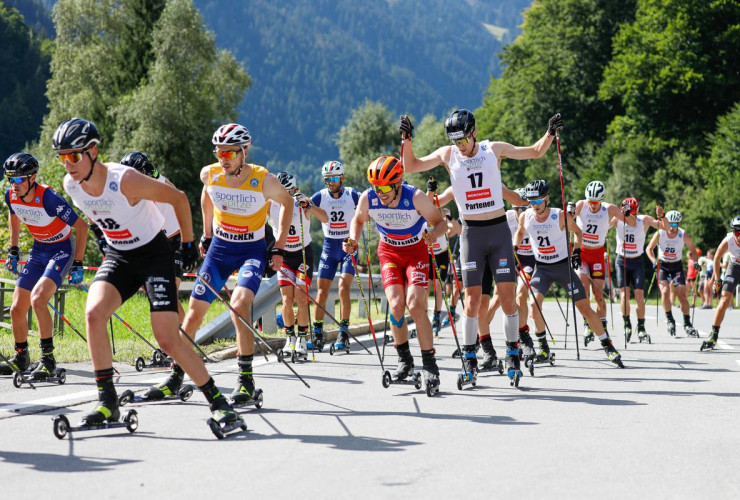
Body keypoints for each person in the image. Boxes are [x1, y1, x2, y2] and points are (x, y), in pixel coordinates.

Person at [55, 117, 238, 427]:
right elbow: (98, 215)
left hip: (154, 255)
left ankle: (218, 401)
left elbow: (178, 197)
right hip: (120, 256)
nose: (68, 164)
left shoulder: (124, 179)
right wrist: (102, 238)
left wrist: (189, 245)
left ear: (93, 151)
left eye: (73, 156)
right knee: (94, 314)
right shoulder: (71, 184)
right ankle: (107, 402)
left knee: (167, 339)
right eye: (62, 158)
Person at [400, 109, 563, 382]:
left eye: (464, 140)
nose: (460, 146)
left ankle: (512, 354)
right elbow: (411, 165)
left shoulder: (492, 149)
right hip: (471, 234)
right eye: (456, 141)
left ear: (473, 132)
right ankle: (470, 356)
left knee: (508, 298)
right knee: (472, 302)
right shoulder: (447, 154)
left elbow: (534, 152)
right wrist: (406, 139)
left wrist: (549, 133)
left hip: (498, 231)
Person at [150, 123, 293, 407]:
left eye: (229, 153)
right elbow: (206, 195)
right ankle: (176, 376)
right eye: (219, 152)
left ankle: (246, 381)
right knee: (193, 315)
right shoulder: (211, 173)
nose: (223, 159)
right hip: (219, 250)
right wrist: (206, 233)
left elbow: (287, 203)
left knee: (239, 307)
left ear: (244, 152)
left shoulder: (263, 180)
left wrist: (279, 246)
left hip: (251, 251)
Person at [344, 156, 446, 391]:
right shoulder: (368, 198)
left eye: (386, 188)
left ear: (398, 183)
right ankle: (405, 361)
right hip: (389, 253)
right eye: (376, 188)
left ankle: (429, 363)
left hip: (416, 253)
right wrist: (352, 240)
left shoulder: (415, 197)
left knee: (416, 305)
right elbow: (358, 221)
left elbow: (441, 223)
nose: (381, 193)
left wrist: (434, 235)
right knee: (397, 305)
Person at [514, 179, 624, 368]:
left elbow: (578, 233)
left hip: (563, 267)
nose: (535, 206)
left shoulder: (560, 216)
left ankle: (607, 345)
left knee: (584, 307)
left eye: (539, 201)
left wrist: (577, 252)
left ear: (547, 199)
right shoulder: (526, 216)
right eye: (531, 202)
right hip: (542, 268)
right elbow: (520, 231)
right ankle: (543, 346)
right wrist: (514, 248)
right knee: (534, 304)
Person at [0, 153, 88, 378]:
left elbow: (82, 226)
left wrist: (77, 263)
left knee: (38, 299)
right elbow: (14, 216)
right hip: (39, 249)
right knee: (17, 308)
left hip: (61, 249)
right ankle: (21, 358)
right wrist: (13, 249)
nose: (14, 184)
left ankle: (48, 360)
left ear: (33, 177)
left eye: (19, 180)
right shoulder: (11, 195)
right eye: (11, 179)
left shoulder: (49, 198)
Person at [119, 151, 185, 321]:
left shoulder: (157, 182)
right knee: (157, 296)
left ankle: (186, 337)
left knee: (169, 293)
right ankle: (174, 339)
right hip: (153, 245)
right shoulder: (127, 192)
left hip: (175, 242)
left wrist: (156, 174)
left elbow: (175, 191)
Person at [570, 181, 635, 344]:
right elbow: (566, 222)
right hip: (582, 253)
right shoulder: (581, 205)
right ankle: (587, 324)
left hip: (598, 254)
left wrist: (627, 214)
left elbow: (632, 224)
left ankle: (603, 327)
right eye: (590, 201)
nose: (592, 205)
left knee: (599, 295)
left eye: (596, 202)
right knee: (583, 290)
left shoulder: (610, 209)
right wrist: (569, 211)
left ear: (602, 200)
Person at [308, 161, 360, 351]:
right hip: (329, 246)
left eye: (335, 178)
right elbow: (305, 207)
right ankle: (318, 333)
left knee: (343, 288)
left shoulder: (352, 194)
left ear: (342, 178)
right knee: (321, 291)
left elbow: (367, 208)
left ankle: (343, 332)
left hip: (349, 246)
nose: (331, 182)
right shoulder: (320, 196)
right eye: (327, 179)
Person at [271, 172, 316, 359]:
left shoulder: (301, 202)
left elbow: (325, 218)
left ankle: (303, 340)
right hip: (284, 257)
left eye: (287, 190)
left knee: (300, 296)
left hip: (303, 255)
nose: (283, 193)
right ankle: (290, 338)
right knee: (286, 298)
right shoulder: (270, 204)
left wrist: (309, 206)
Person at [612, 197, 664, 342]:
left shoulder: (644, 220)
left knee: (639, 297)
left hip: (636, 262)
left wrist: (662, 216)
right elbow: (605, 226)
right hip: (621, 260)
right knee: (624, 295)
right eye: (629, 213)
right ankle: (627, 324)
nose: (631, 217)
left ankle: (641, 328)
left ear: (638, 210)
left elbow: (663, 227)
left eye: (634, 213)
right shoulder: (618, 218)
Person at [646, 210, 700, 337]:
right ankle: (670, 320)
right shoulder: (660, 233)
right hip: (663, 266)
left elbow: (693, 251)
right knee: (664, 292)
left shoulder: (683, 235)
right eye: (670, 224)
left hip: (676, 266)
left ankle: (687, 323)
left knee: (682, 295)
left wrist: (696, 262)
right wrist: (654, 261)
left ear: (679, 224)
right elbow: (649, 249)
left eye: (676, 225)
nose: (672, 228)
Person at [701, 217, 740, 350]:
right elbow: (717, 258)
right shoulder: (728, 240)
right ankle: (713, 334)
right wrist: (717, 280)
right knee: (724, 299)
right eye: (737, 232)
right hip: (734, 267)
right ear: (733, 232)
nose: (739, 236)